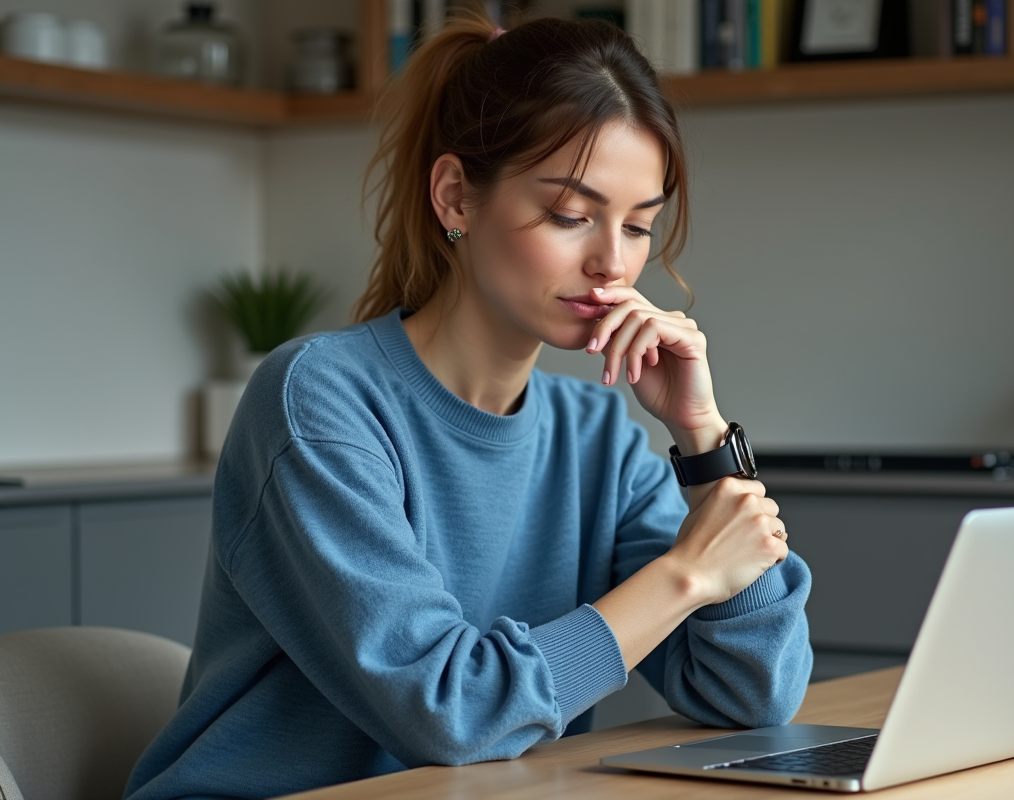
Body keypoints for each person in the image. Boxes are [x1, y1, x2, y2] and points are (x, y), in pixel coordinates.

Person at [125, 11, 812, 800]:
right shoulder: (318, 402)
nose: (611, 263)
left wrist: (702, 440)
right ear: (455, 196)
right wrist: (687, 576)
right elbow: (449, 711)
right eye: (570, 215)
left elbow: (751, 697)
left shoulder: (599, 440)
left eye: (638, 227)